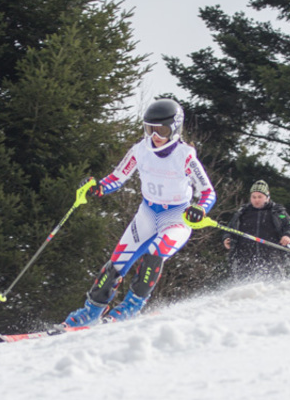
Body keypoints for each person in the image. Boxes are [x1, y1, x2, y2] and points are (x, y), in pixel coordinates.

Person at [64, 98, 216, 327]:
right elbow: (118, 177)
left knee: (155, 254)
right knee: (117, 261)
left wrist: (200, 209)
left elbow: (208, 192)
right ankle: (90, 312)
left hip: (176, 217)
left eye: (161, 130)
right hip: (147, 213)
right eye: (149, 129)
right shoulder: (140, 150)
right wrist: (98, 187)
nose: (155, 136)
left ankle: (130, 308)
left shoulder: (185, 155)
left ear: (174, 129)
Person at [223, 180, 290, 279]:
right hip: (244, 257)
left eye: (260, 197)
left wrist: (288, 236)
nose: (256, 200)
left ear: (267, 197)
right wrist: (227, 238)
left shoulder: (277, 211)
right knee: (245, 284)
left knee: (274, 283)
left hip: (272, 256)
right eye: (253, 197)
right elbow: (230, 228)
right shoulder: (242, 212)